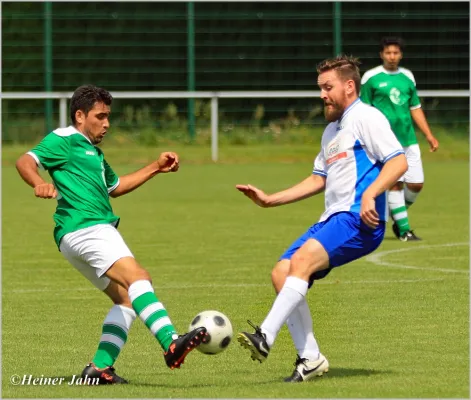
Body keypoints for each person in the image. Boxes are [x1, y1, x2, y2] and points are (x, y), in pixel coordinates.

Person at [15, 84, 208, 384]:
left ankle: (99, 368)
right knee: (139, 278)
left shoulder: (94, 153)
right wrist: (36, 182)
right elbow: (25, 161)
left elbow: (115, 188)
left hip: (73, 236)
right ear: (79, 115)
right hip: (87, 226)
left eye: (108, 117)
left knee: (127, 300)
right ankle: (171, 342)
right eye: (100, 116)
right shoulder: (64, 139)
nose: (107, 123)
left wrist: (156, 167)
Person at [235, 55, 408, 383]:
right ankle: (310, 357)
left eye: (328, 87)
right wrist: (270, 200)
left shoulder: (367, 117)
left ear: (349, 86)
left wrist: (371, 194)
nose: (322, 94)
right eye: (320, 88)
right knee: (281, 273)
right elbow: (319, 179)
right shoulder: (331, 131)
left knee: (299, 261)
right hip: (332, 218)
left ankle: (265, 336)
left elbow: (398, 162)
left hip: (359, 219)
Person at [360, 36, 439, 241]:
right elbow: (363, 111)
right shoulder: (371, 77)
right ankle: (404, 230)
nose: (392, 56)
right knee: (395, 184)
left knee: (416, 184)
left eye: (395, 53)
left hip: (409, 140)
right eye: (388, 53)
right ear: (381, 54)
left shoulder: (407, 77)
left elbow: (415, 108)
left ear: (401, 55)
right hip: (385, 142)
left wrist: (429, 135)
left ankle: (395, 212)